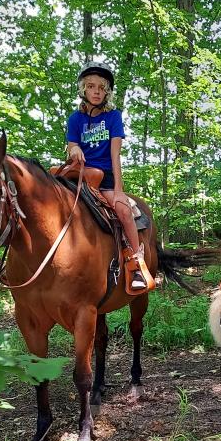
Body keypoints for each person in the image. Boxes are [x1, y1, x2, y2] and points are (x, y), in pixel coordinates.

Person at [66, 60, 150, 293]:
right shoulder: (75, 119)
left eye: (101, 88)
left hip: (105, 177)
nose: (96, 91)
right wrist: (74, 149)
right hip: (80, 176)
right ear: (83, 90)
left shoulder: (113, 117)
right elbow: (72, 143)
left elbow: (116, 154)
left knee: (123, 210)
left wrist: (120, 190)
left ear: (107, 92)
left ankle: (136, 263)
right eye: (91, 86)